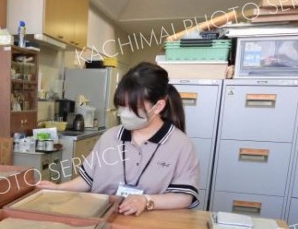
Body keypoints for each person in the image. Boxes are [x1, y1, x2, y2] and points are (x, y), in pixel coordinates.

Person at [39, 62, 199, 216]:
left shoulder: (180, 145)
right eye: (122, 107)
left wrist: (147, 200)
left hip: (149, 227)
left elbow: (184, 197)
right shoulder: (110, 137)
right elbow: (87, 180)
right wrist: (58, 189)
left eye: (132, 108)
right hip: (103, 218)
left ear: (158, 107)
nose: (124, 113)